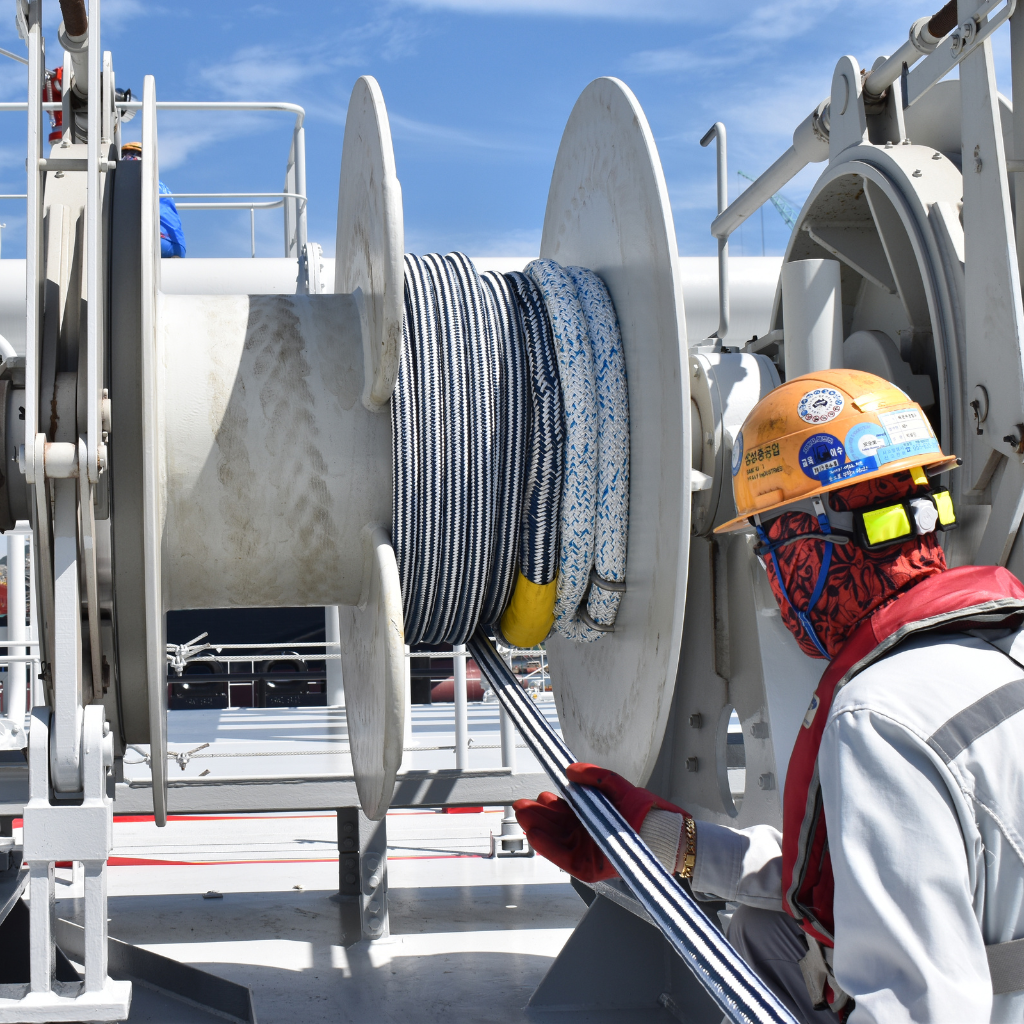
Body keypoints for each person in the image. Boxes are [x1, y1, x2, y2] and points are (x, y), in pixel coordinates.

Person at [515, 368, 1024, 1023]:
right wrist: (654, 836)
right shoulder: (999, 640)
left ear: (815, 538)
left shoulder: (879, 717)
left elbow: (922, 1007)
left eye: (769, 546)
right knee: (766, 934)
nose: (773, 579)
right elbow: (828, 878)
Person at [119, 141, 186, 257]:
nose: (126, 158)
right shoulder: (161, 185)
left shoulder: (140, 182)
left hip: (159, 241)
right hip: (177, 243)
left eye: (131, 155)